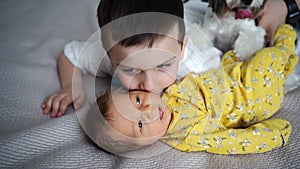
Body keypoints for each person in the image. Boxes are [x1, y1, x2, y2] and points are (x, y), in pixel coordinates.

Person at [95, 24, 298, 155]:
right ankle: (286, 43)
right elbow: (232, 142)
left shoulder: (159, 91)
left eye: (137, 101)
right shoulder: (188, 132)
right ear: (144, 146)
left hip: (231, 76)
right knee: (268, 58)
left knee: (243, 58)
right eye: (140, 126)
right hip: (253, 94)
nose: (148, 110)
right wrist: (273, 135)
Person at [41, 0, 221, 118]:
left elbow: (219, 83)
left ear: (182, 48)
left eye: (164, 65)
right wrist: (71, 86)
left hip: (199, 11)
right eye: (131, 70)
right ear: (109, 54)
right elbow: (69, 55)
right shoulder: (105, 54)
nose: (149, 85)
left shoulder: (197, 66)